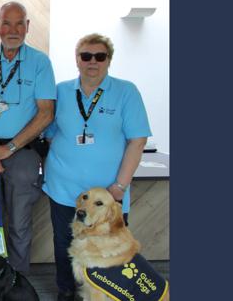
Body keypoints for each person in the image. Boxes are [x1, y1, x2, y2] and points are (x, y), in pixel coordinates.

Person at [42, 33, 152, 301]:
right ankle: (67, 291)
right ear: (77, 60)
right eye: (86, 56)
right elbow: (49, 132)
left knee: (109, 249)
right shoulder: (61, 91)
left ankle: (108, 295)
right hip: (64, 189)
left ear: (108, 60)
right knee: (64, 244)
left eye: (100, 56)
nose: (93, 61)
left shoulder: (126, 91)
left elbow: (137, 141)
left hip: (108, 197)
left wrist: (119, 187)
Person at [0, 1, 56, 273]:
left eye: (20, 23)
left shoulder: (40, 63)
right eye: (7, 22)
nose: (13, 29)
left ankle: (16, 281)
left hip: (23, 154)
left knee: (19, 222)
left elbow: (46, 113)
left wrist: (8, 148)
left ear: (28, 27)